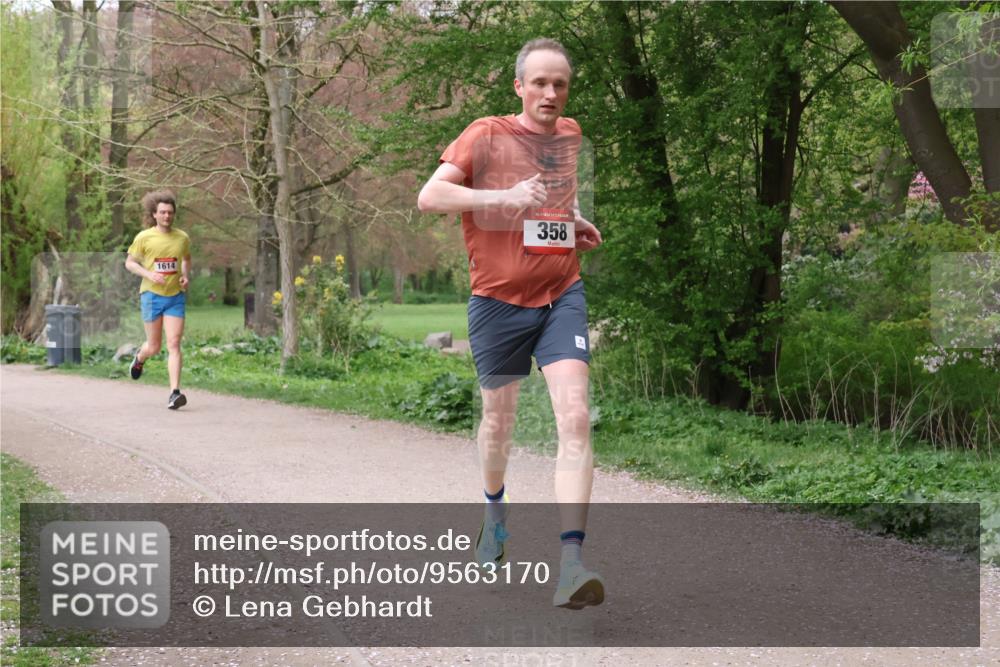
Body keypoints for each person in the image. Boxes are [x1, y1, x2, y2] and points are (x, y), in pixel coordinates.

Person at [417, 38, 604, 609]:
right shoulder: (485, 133)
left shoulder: (570, 136)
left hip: (560, 292)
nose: (551, 93)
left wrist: (573, 222)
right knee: (499, 422)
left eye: (561, 84)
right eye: (540, 83)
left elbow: (550, 203)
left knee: (575, 416)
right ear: (519, 86)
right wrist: (505, 194)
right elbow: (430, 195)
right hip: (497, 301)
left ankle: (571, 565)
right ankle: (494, 511)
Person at [124, 190, 191, 410]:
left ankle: (174, 393)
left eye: (170, 212)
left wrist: (184, 275)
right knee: (154, 346)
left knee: (174, 344)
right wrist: (149, 274)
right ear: (154, 214)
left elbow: (186, 259)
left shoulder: (182, 237)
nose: (167, 216)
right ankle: (140, 358)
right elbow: (130, 263)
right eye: (162, 212)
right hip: (151, 296)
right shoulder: (144, 237)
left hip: (175, 297)